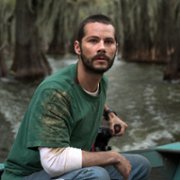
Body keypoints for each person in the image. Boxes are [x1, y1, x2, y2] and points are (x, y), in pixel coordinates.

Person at [2, 14, 151, 180]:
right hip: (28, 176)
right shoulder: (55, 92)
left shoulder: (101, 83)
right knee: (96, 175)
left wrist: (110, 115)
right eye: (93, 40)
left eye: (108, 42)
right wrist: (112, 156)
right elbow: (54, 162)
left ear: (116, 47)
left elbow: (90, 97)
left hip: (67, 171)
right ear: (78, 47)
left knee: (140, 165)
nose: (102, 47)